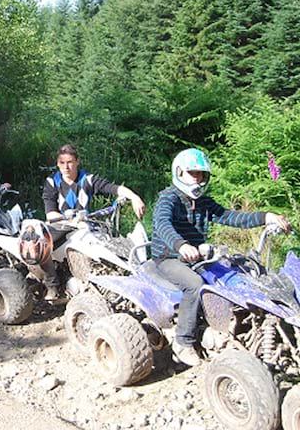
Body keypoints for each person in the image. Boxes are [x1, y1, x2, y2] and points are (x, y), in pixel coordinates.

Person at [152, 148, 291, 367]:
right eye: (192, 173)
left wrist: (266, 216)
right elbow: (162, 224)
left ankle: (236, 327)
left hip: (198, 256)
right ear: (179, 173)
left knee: (237, 276)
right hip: (169, 257)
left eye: (201, 174)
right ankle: (183, 342)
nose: (197, 178)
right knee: (194, 284)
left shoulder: (204, 202)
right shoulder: (169, 198)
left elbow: (231, 217)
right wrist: (181, 245)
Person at [40, 143, 145, 299]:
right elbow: (50, 213)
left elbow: (113, 188)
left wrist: (134, 197)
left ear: (77, 161)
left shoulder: (87, 179)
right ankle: (52, 285)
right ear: (57, 163)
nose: (66, 167)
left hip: (85, 223)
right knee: (42, 244)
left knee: (111, 242)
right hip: (61, 224)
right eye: (62, 163)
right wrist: (68, 217)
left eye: (69, 162)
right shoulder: (52, 182)